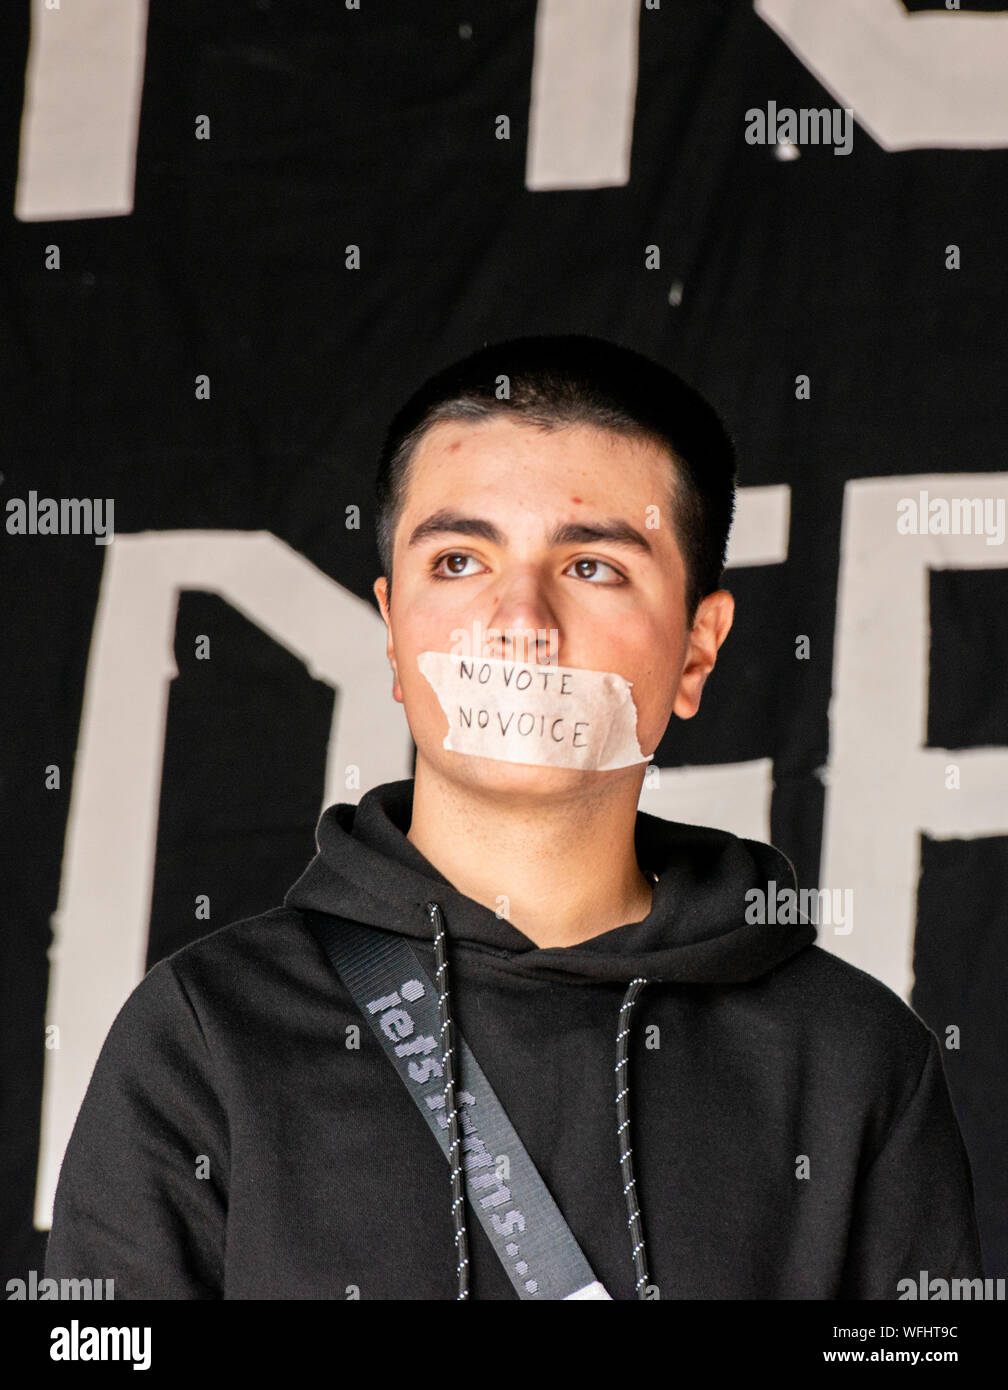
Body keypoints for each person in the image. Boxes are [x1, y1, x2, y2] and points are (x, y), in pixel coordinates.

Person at [45, 334, 983, 1299]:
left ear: (698, 651)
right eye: (458, 561)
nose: (521, 622)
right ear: (394, 629)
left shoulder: (853, 1059)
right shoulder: (209, 1033)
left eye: (593, 568)